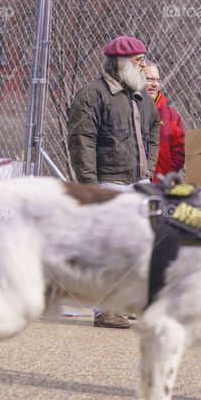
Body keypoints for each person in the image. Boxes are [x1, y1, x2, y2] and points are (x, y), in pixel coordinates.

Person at [67, 35, 160, 328]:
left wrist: (149, 169)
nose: (144, 65)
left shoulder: (142, 97)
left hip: (137, 184)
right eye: (138, 60)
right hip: (108, 182)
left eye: (144, 59)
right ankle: (105, 310)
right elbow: (82, 142)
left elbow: (154, 131)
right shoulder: (93, 95)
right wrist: (91, 185)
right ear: (121, 63)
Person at [144, 63, 186, 181]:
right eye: (150, 79)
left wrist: (165, 177)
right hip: (133, 184)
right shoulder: (128, 110)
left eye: (157, 80)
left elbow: (179, 152)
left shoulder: (172, 116)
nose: (154, 84)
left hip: (162, 184)